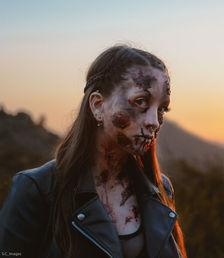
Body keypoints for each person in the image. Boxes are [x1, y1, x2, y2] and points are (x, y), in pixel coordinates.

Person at [0, 45, 187, 258]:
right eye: (141, 101)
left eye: (162, 109)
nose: (154, 122)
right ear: (98, 105)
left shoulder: (160, 188)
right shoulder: (36, 190)